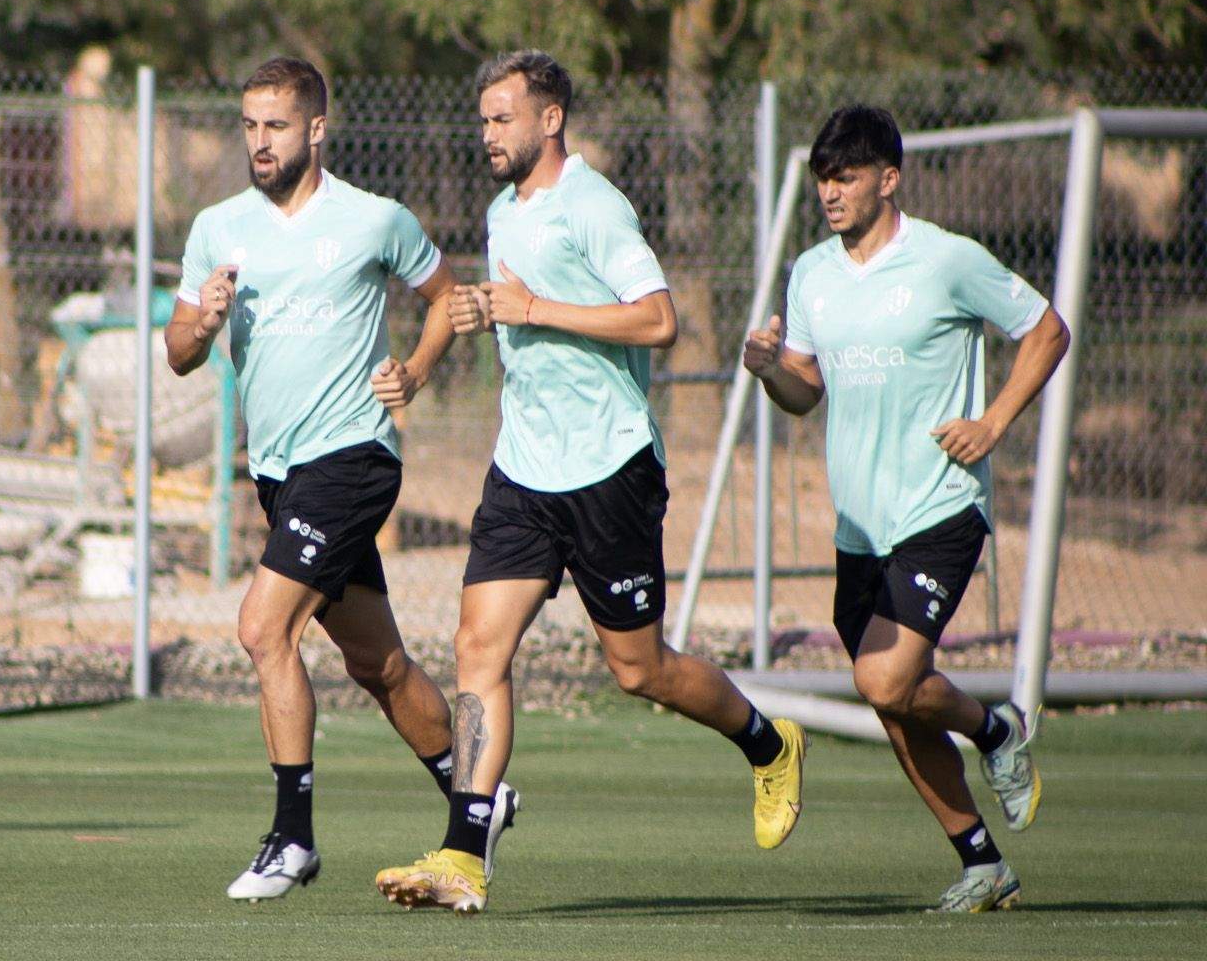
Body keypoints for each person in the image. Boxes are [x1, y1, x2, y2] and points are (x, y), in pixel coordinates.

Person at [376, 50, 806, 915]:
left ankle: (768, 742)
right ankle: (466, 850)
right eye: (484, 118)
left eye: (504, 117)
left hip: (609, 468)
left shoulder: (596, 204)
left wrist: (533, 309)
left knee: (640, 670)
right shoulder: (503, 211)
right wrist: (475, 317)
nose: (488, 132)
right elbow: (515, 316)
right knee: (477, 646)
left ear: (551, 118)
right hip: (524, 469)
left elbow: (660, 318)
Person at [167, 55, 501, 902]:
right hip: (277, 473)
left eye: (275, 125)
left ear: (316, 128)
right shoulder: (218, 226)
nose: (260, 141)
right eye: (249, 126)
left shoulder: (373, 219)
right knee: (377, 663)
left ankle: (292, 838)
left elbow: (446, 296)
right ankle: (476, 798)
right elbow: (176, 353)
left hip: (353, 459)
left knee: (261, 628)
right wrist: (203, 322)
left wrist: (417, 372)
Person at [743, 103, 1068, 912]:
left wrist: (993, 422)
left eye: (845, 176)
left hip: (941, 507)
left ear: (889, 178)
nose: (831, 191)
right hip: (860, 526)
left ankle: (997, 730)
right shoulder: (814, 272)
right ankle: (982, 861)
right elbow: (804, 391)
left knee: (883, 676)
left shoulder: (947, 260)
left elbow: (1048, 330)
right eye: (824, 178)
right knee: (892, 701)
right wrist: (767, 369)